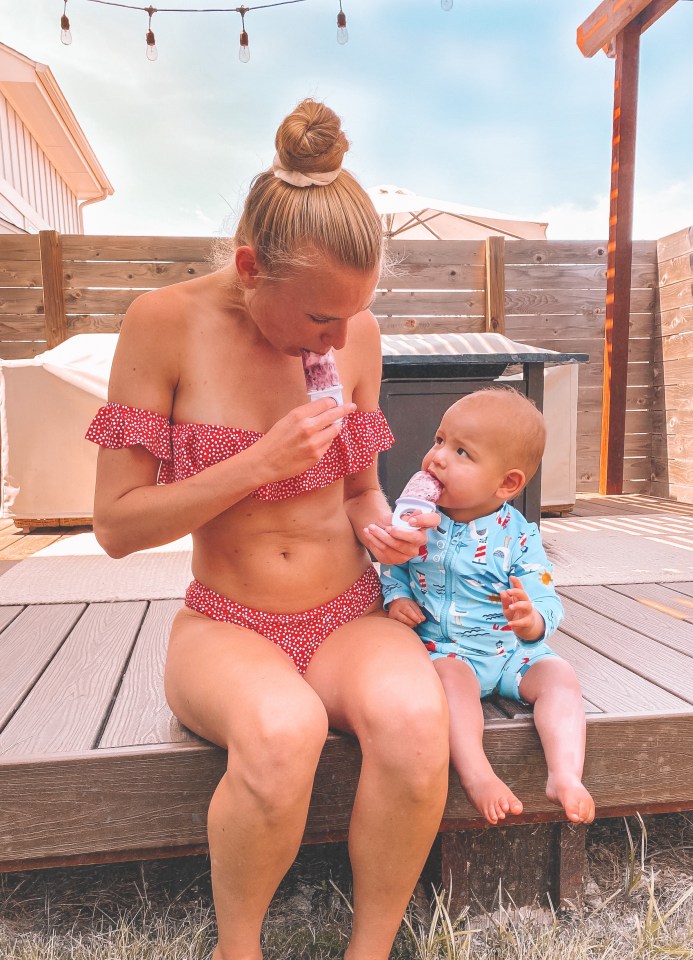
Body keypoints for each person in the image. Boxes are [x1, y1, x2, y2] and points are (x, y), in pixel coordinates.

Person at [86, 99, 449, 960]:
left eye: (354, 313)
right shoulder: (163, 324)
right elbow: (115, 526)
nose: (339, 336)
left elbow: (361, 492)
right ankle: (237, 949)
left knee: (415, 720)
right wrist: (255, 464)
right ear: (250, 268)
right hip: (227, 622)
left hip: (348, 614)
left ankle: (370, 950)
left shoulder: (356, 335)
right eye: (321, 318)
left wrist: (386, 529)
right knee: (284, 731)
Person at [380, 388, 595, 828]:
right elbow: (392, 565)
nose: (438, 458)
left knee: (560, 676)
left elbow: (545, 595)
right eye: (440, 440)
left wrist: (531, 621)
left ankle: (565, 774)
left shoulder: (518, 536)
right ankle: (478, 775)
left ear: (507, 484)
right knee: (450, 684)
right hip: (448, 651)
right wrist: (397, 597)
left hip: (511, 652)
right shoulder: (418, 520)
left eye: (462, 452)